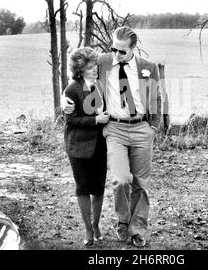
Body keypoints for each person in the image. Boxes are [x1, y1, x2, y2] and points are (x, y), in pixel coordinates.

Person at [62, 27, 162, 247]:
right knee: (121, 179)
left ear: (133, 48)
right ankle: (123, 220)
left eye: (122, 51)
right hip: (115, 128)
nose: (116, 54)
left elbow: (156, 98)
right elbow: (80, 72)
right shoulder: (104, 62)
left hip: (140, 128)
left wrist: (152, 127)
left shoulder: (148, 68)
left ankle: (136, 229)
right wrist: (64, 97)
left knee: (141, 184)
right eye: (113, 49)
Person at [63, 47, 110, 247]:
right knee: (83, 188)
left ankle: (96, 224)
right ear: (80, 69)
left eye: (95, 66)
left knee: (98, 188)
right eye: (91, 67)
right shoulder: (72, 89)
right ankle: (88, 229)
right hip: (78, 146)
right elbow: (71, 121)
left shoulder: (101, 86)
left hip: (100, 145)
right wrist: (96, 120)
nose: (95, 70)